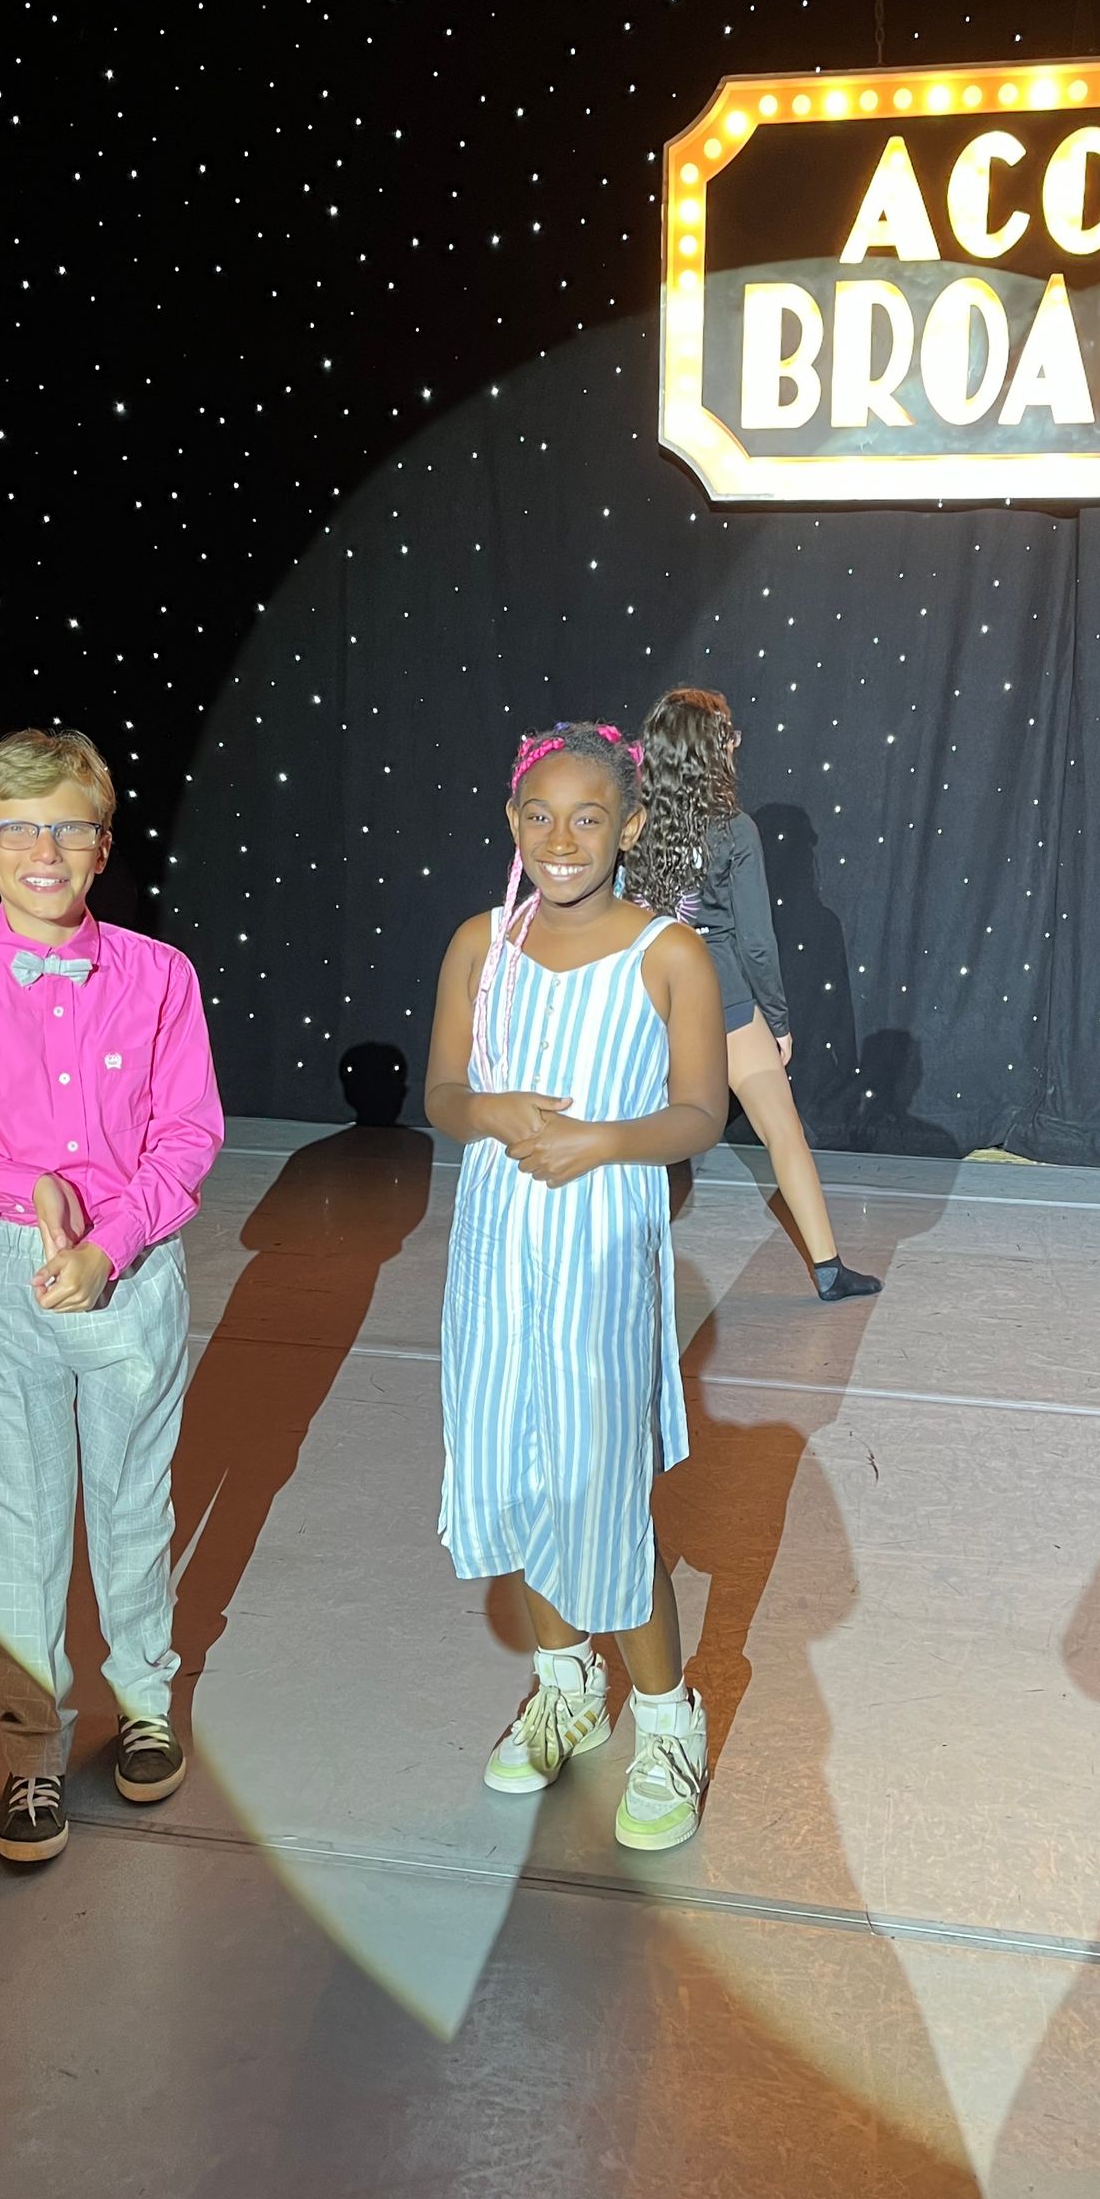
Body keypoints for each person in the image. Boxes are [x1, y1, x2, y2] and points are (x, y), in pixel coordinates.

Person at [0, 727, 224, 1867]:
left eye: (68, 823)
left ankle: (145, 1703)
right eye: (15, 825)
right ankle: (30, 1749)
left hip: (128, 1274)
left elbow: (187, 1135)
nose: (43, 846)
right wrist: (17, 1187)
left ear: (103, 842)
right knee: (18, 1516)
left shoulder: (160, 977)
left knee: (132, 1498)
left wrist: (111, 1241)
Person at [425, 720, 726, 1852]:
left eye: (589, 816)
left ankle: (664, 1719)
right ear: (513, 823)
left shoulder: (667, 954)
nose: (562, 839)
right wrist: (490, 1113)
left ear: (631, 827)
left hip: (602, 1248)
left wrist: (602, 1142)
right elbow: (445, 1094)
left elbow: (700, 1111)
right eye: (539, 816)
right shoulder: (479, 944)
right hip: (497, 1257)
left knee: (600, 1492)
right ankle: (566, 1690)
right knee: (515, 1473)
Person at [629, 685, 881, 1302]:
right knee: (782, 1132)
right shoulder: (734, 830)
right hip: (726, 999)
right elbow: (758, 943)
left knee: (648, 1143)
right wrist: (778, 1019)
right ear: (707, 751)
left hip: (650, 995)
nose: (737, 744)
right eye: (729, 736)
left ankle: (623, 1270)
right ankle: (828, 1268)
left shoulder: (629, 822)